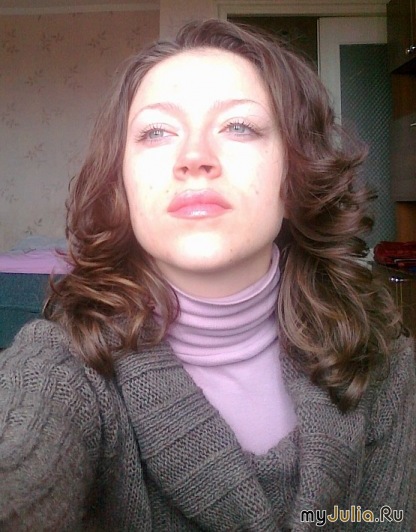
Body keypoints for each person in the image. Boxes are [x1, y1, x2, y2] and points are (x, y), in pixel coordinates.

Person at [0, 18, 414, 531]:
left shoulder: (387, 359)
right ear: (121, 183)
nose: (194, 158)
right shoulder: (62, 363)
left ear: (295, 173)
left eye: (239, 126)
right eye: (156, 132)